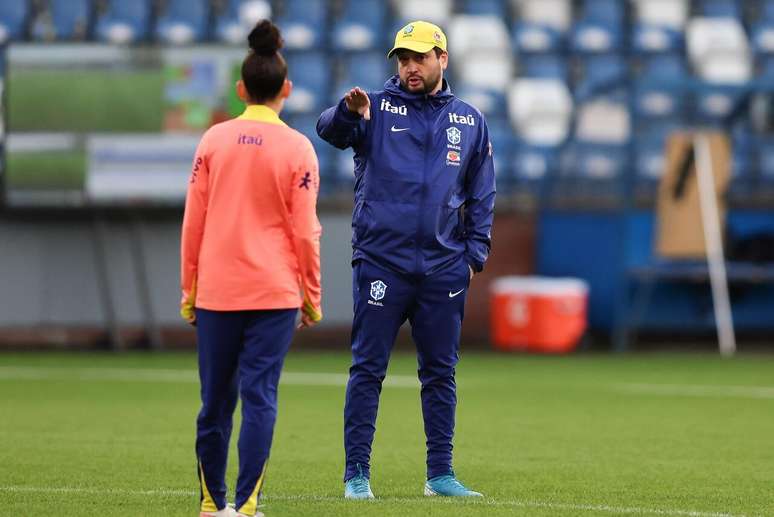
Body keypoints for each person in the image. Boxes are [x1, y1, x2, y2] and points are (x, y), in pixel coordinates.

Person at [316, 20, 496, 499]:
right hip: (381, 263)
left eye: (419, 57)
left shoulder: (470, 120)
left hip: (443, 269)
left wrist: (473, 256)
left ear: (443, 59)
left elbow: (482, 194)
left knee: (441, 372)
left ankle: (440, 474)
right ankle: (357, 474)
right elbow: (329, 131)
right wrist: (346, 112)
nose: (409, 67)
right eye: (402, 58)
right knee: (368, 368)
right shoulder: (373, 107)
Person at [180, 20, 322, 517]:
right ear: (286, 88)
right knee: (260, 396)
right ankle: (245, 506)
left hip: (217, 291)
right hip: (275, 293)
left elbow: (192, 223)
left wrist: (188, 289)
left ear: (241, 89)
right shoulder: (299, 148)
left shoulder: (213, 141)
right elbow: (305, 231)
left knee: (214, 402)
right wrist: (311, 295)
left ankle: (209, 503)